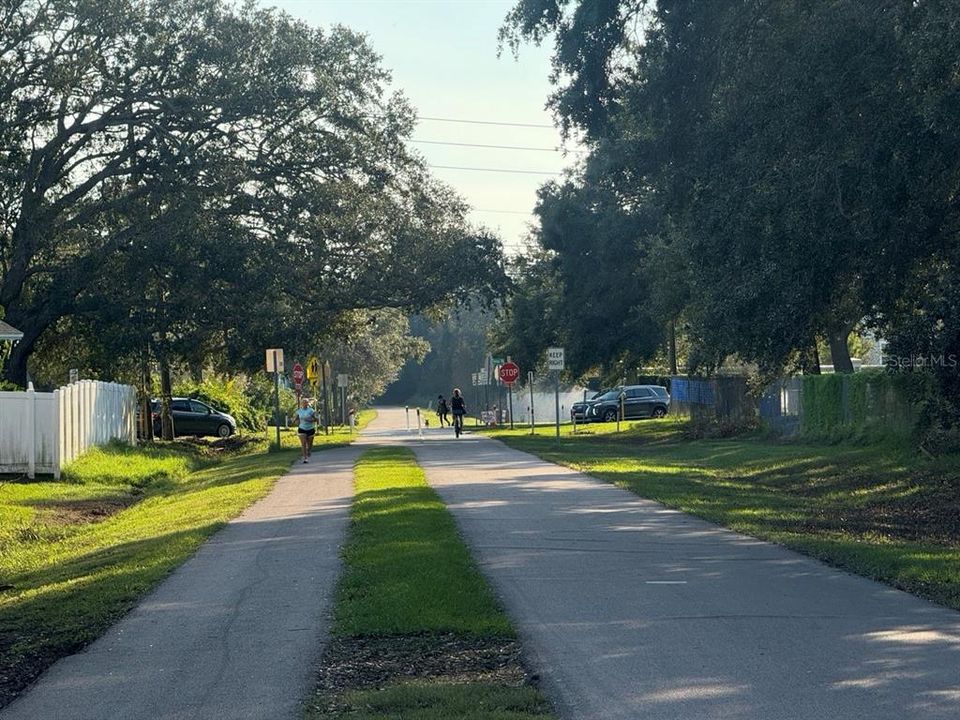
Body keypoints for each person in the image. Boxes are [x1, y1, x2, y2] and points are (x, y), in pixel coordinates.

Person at [295, 398, 319, 463]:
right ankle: (305, 458)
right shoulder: (299, 411)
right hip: (302, 428)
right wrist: (295, 421)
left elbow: (316, 420)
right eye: (303, 402)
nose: (304, 404)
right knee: (303, 444)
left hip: (310, 429)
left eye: (306, 402)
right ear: (301, 404)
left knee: (310, 444)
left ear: (308, 403)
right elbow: (296, 419)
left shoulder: (311, 411)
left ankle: (309, 450)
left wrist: (310, 420)